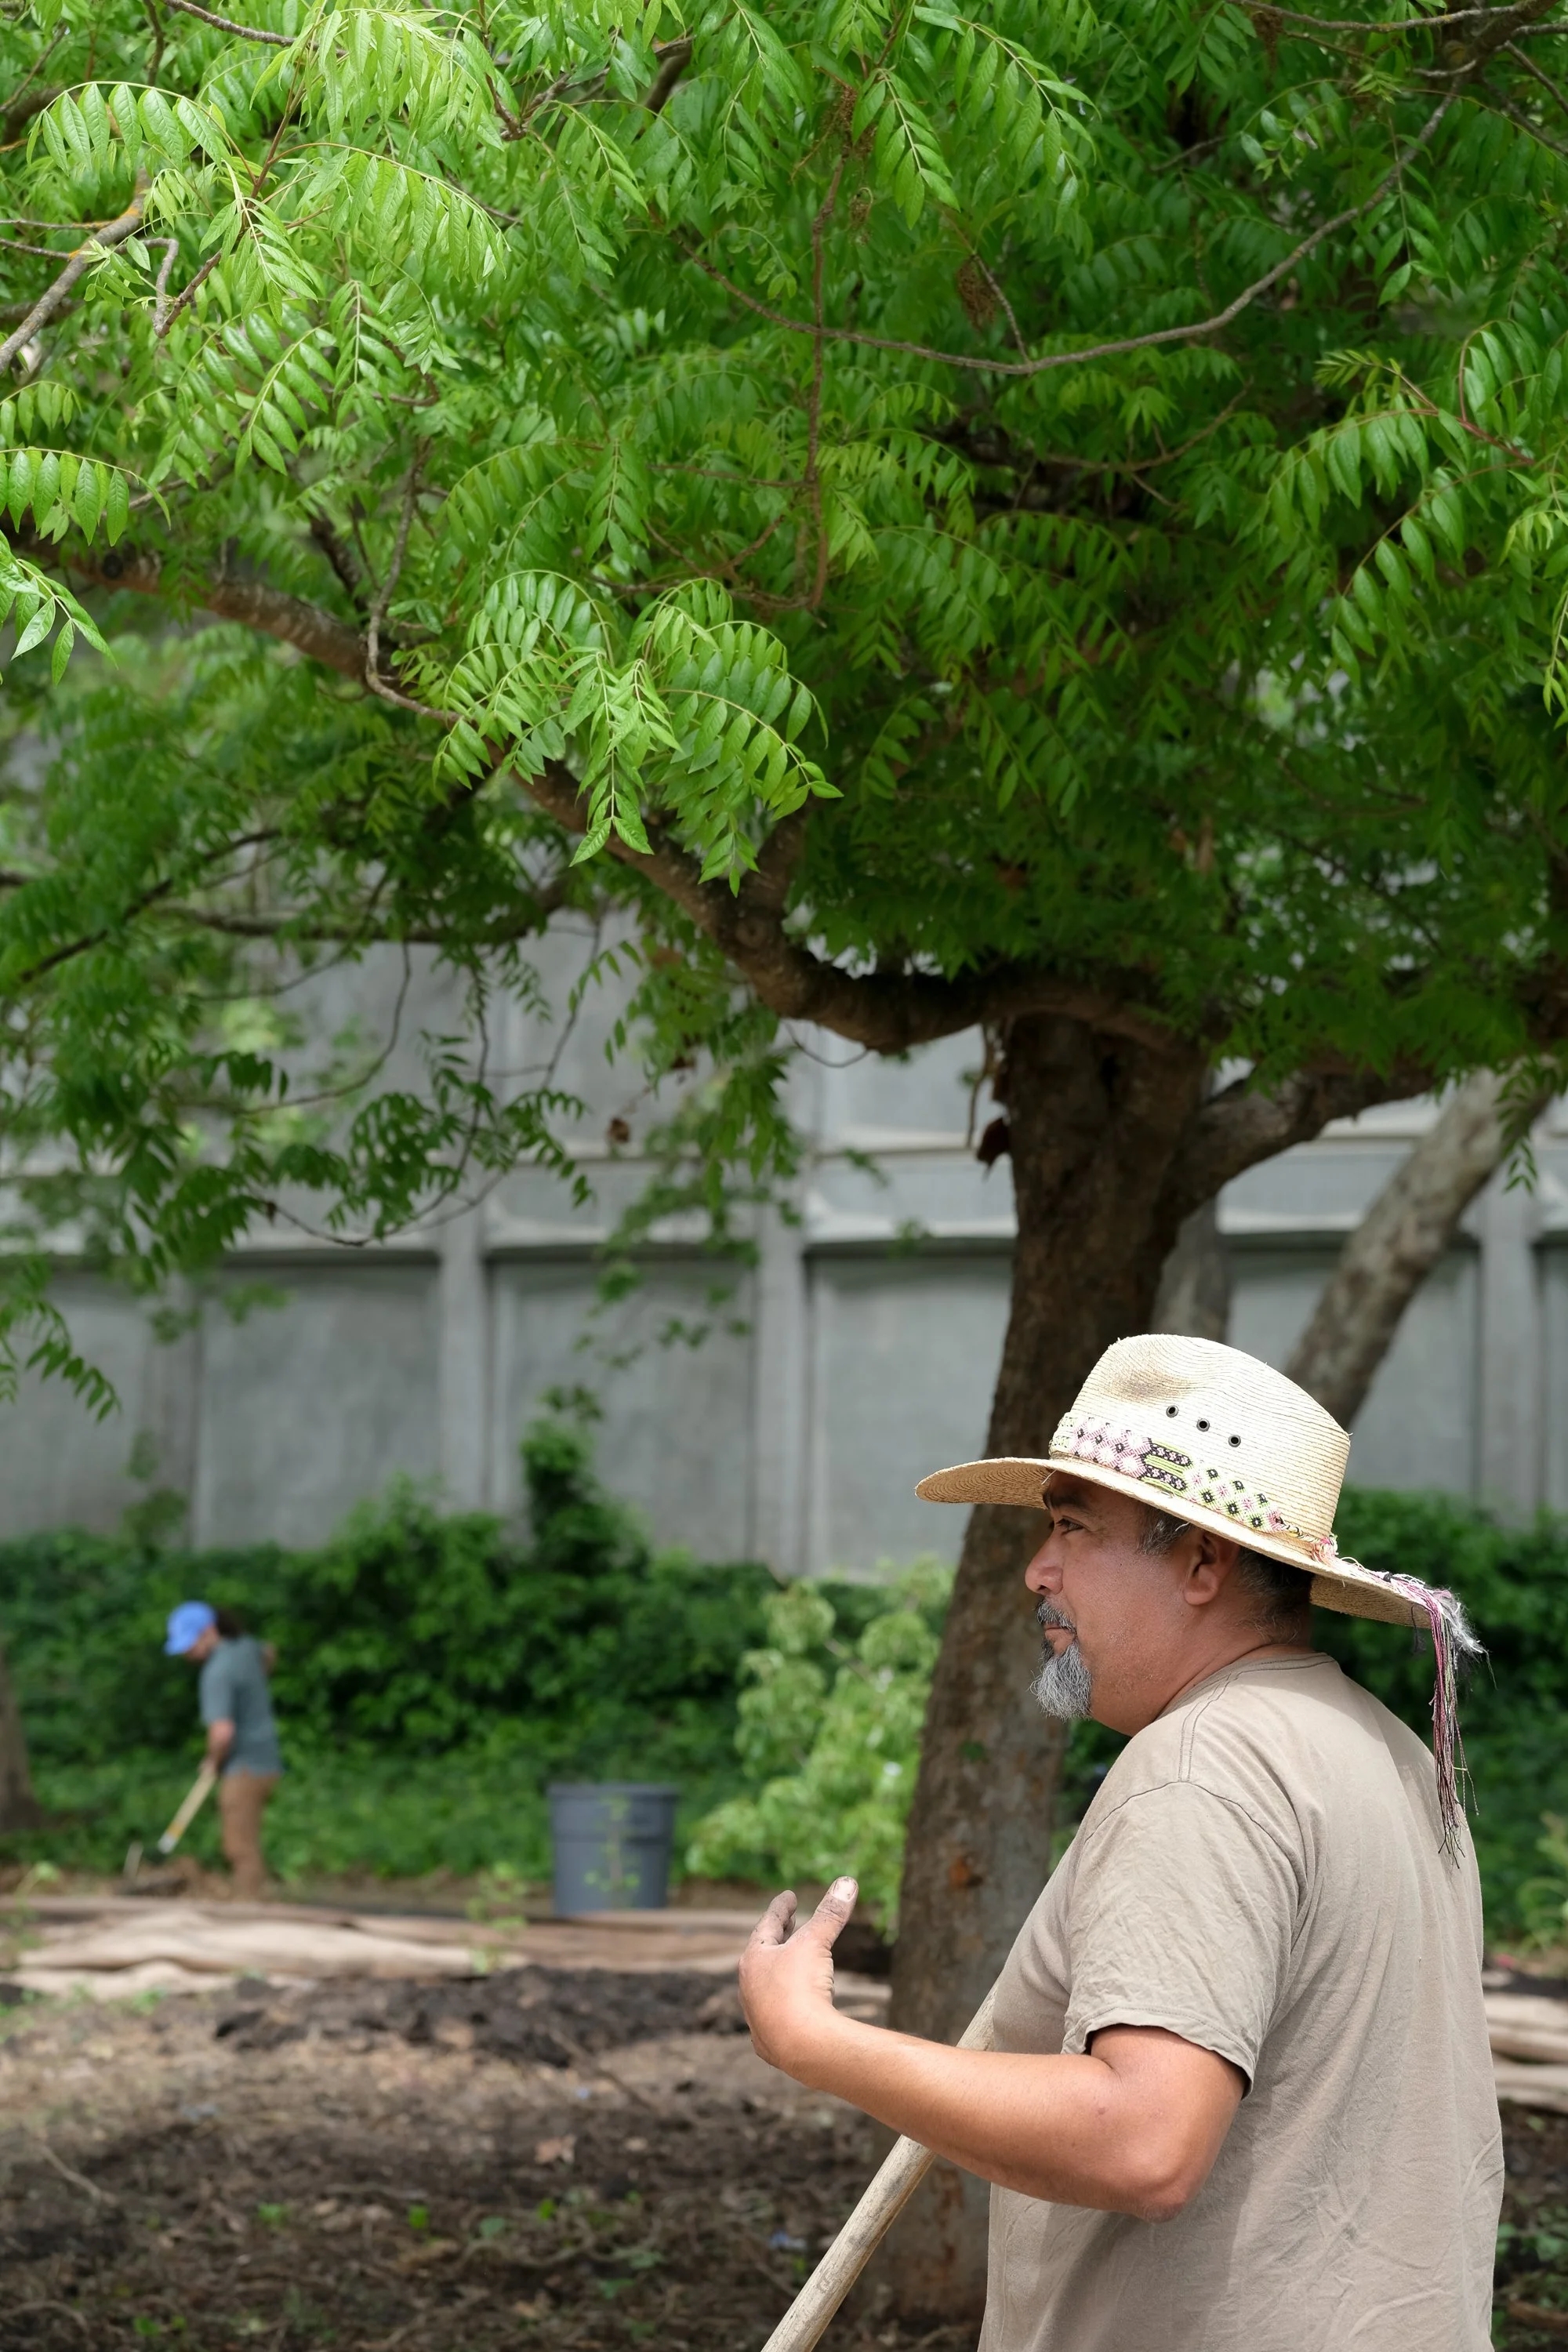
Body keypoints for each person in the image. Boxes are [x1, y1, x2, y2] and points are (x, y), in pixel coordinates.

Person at [739, 1334, 1501, 2352]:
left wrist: (815, 2041)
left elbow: (1145, 2141)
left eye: (1073, 1526)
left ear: (1200, 1560)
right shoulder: (1385, 1750)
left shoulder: (1206, 1764)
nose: (1035, 1571)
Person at [164, 1599, 284, 1901]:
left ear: (208, 1632)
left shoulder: (216, 1672)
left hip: (245, 1767)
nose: (187, 1654)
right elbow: (270, 1653)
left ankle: (248, 1911)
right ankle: (251, 1906)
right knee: (246, 1842)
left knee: (238, 1847)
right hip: (268, 1761)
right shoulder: (246, 1649)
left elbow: (222, 1732)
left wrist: (213, 1762)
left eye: (189, 1645)